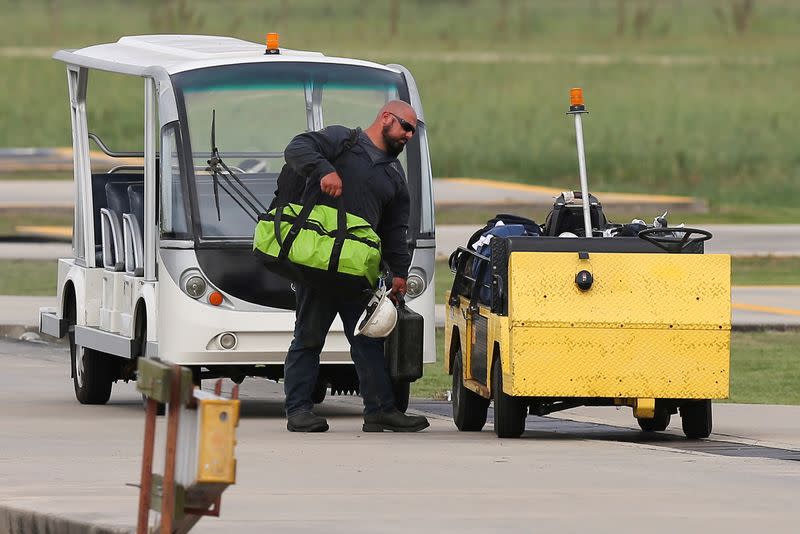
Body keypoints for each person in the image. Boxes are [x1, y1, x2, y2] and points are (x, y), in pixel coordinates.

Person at [281, 100, 430, 433]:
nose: (408, 136)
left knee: (368, 340)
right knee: (308, 338)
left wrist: (400, 273)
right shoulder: (342, 142)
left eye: (412, 131)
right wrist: (324, 170)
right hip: (319, 267)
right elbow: (297, 148)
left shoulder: (394, 174)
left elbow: (395, 229)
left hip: (358, 271)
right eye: (405, 127)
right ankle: (299, 410)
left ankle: (379, 410)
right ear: (386, 118)